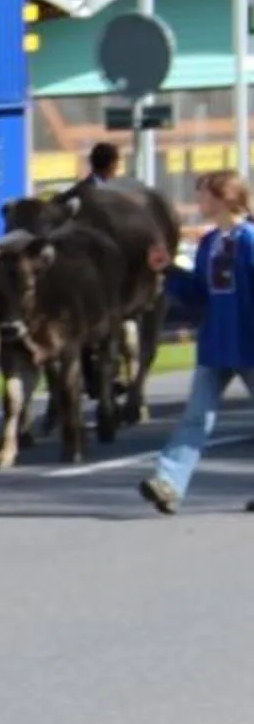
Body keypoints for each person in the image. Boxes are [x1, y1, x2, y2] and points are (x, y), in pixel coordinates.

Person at [140, 168, 254, 514]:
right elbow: (198, 295)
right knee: (195, 417)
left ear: (223, 198)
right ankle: (168, 483)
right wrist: (168, 270)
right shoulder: (208, 243)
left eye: (203, 194)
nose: (198, 201)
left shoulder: (249, 240)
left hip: (249, 344)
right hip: (215, 345)